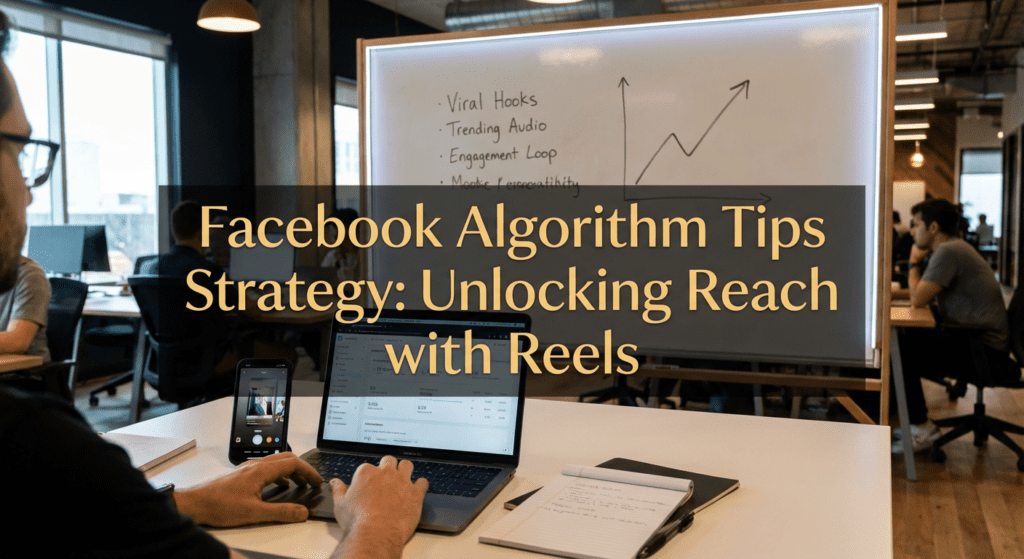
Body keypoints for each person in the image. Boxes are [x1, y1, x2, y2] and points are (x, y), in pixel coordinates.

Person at [0, 10, 426, 558]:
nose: (31, 190)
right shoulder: (31, 446)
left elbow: (69, 520)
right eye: (18, 150)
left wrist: (193, 501)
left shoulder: (45, 469)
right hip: (214, 365)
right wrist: (378, 525)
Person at [895, 198, 1013, 454]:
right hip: (980, 343)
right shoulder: (955, 248)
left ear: (933, 227)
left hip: (982, 351)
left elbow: (918, 298)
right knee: (905, 337)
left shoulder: (949, 252)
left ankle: (921, 426)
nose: (913, 231)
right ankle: (910, 421)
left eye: (916, 225)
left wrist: (914, 263)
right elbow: (922, 294)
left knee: (901, 348)